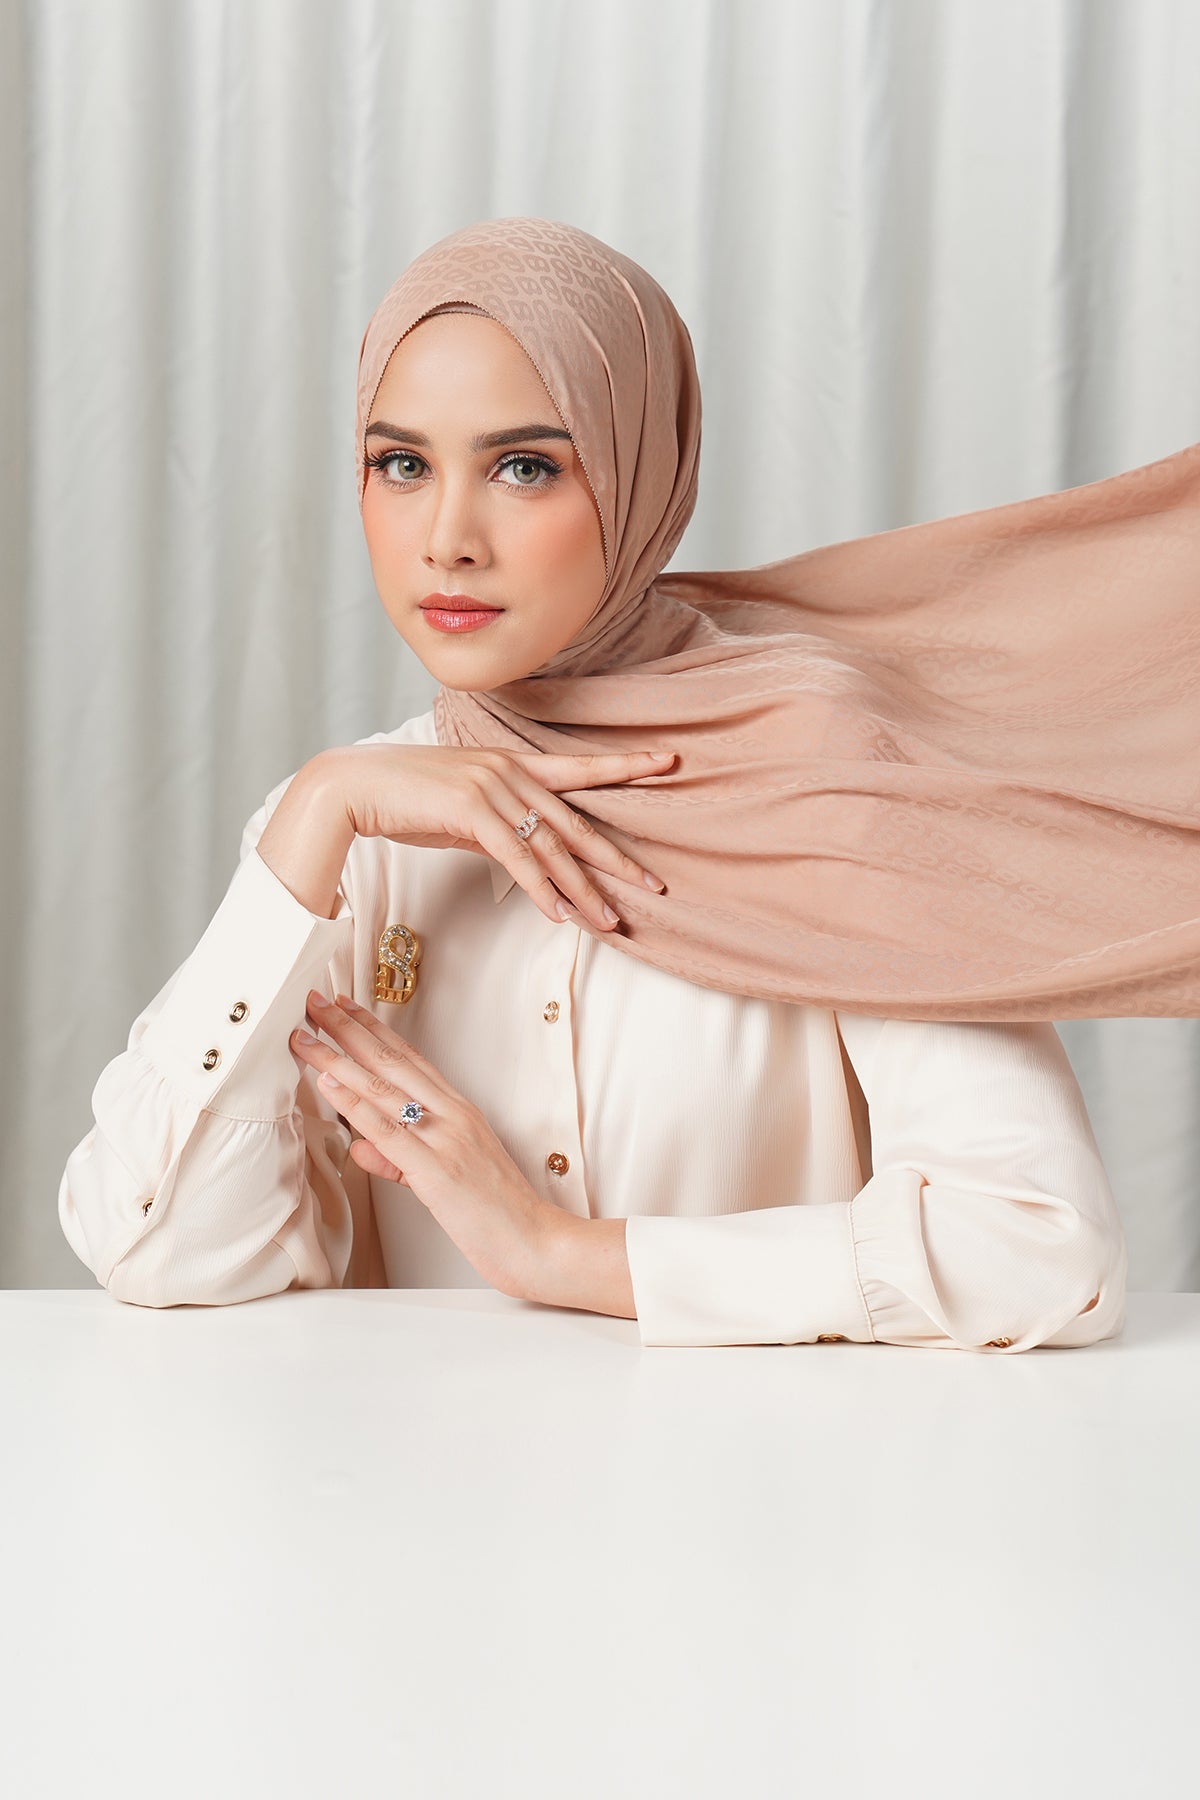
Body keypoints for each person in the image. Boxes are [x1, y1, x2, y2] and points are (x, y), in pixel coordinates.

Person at [58, 217, 1136, 1350]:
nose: (448, 539)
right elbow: (154, 1250)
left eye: (524, 467)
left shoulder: (834, 785)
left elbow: (1038, 1250)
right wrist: (316, 811)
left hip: (771, 1465)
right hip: (425, 1465)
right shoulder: (348, 833)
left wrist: (559, 1254)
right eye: (402, 465)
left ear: (638, 476)